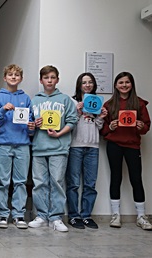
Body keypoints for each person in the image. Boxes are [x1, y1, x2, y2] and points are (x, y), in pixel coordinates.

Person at [27, 65, 78, 232]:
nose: (49, 80)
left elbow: (72, 121)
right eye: (46, 77)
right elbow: (29, 128)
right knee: (39, 183)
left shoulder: (64, 100)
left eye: (52, 77)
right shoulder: (34, 101)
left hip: (59, 148)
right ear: (41, 80)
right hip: (39, 148)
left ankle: (56, 217)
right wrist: (34, 125)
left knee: (57, 182)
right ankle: (41, 215)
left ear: (57, 79)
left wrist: (59, 134)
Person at [100, 72, 152, 230]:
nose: (124, 85)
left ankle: (141, 216)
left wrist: (141, 126)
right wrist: (111, 127)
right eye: (121, 82)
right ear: (115, 85)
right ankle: (116, 215)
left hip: (132, 145)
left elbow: (147, 126)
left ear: (132, 84)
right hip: (114, 145)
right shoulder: (109, 105)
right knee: (116, 178)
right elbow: (103, 130)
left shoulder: (139, 103)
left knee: (136, 179)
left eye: (127, 82)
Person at [0, 64, 34, 229]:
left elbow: (30, 124)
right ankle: (2, 214)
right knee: (2, 181)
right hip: (3, 144)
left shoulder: (26, 98)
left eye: (17, 75)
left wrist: (31, 127)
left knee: (21, 181)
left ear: (21, 78)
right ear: (5, 78)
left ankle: (18, 214)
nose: (14, 77)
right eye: (10, 74)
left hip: (23, 144)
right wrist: (2, 110)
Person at [66, 73, 107, 229]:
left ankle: (86, 215)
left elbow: (98, 126)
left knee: (90, 184)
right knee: (73, 184)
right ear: (79, 85)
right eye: (84, 82)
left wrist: (101, 116)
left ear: (94, 85)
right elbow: (69, 123)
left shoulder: (96, 102)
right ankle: (73, 216)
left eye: (90, 82)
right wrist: (77, 111)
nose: (87, 85)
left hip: (93, 147)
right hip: (75, 146)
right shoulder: (72, 101)